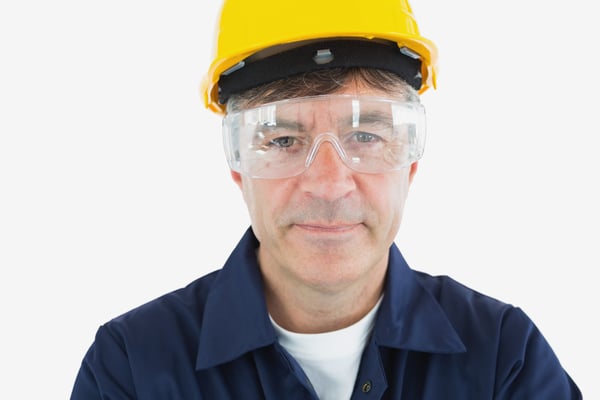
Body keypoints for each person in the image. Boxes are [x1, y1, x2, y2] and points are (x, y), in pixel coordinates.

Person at [70, 0, 582, 398]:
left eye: (366, 136)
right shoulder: (132, 368)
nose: (329, 184)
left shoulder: (503, 357)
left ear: (411, 162)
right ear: (237, 165)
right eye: (284, 141)